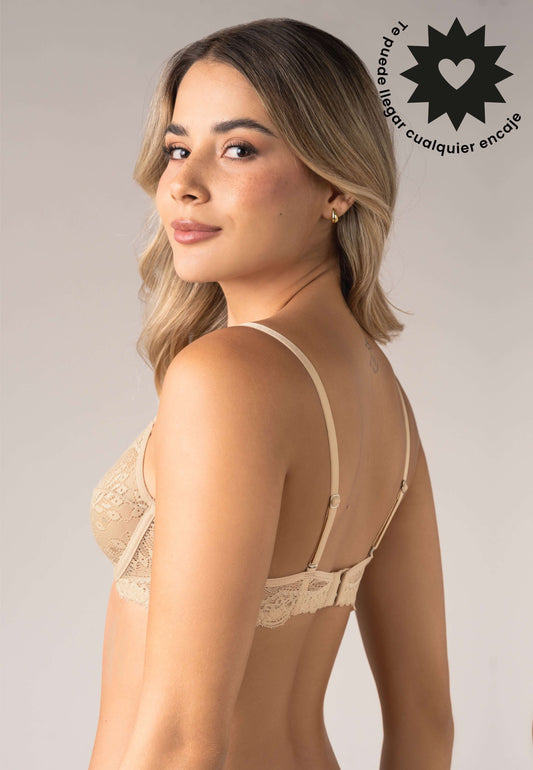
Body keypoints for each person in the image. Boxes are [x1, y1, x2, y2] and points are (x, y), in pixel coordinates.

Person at [88, 17, 454, 770]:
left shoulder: (224, 376)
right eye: (178, 148)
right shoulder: (381, 392)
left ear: (336, 184)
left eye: (238, 149)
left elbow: (183, 739)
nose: (183, 184)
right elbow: (426, 727)